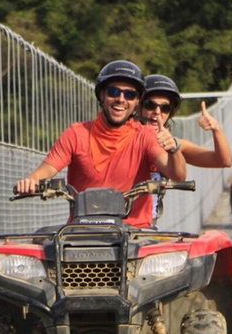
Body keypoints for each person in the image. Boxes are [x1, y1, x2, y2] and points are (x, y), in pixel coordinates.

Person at [15, 60, 186, 228]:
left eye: (129, 94)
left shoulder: (146, 136)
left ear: (136, 102)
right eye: (113, 91)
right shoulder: (76, 134)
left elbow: (177, 174)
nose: (121, 99)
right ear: (102, 95)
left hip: (136, 233)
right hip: (83, 232)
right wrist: (30, 181)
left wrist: (174, 149)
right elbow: (44, 172)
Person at [139, 74, 232, 168]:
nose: (157, 112)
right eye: (150, 105)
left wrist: (216, 129)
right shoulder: (127, 140)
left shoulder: (175, 146)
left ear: (170, 113)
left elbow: (223, 161)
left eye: (165, 108)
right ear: (138, 107)